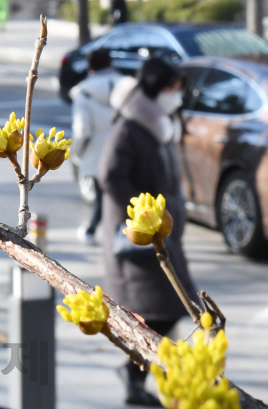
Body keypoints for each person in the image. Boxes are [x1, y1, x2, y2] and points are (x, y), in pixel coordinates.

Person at [97, 57, 199, 406]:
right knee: (158, 313)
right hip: (139, 243)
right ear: (159, 87)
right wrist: (142, 214)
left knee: (168, 311)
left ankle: (142, 375)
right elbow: (109, 175)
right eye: (174, 87)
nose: (178, 94)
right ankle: (138, 375)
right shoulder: (132, 126)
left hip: (160, 240)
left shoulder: (156, 122)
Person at [71, 48, 121, 246]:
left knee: (103, 195)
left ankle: (94, 230)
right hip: (125, 150)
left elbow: (82, 130)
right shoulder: (127, 87)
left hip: (98, 153)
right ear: (111, 64)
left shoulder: (84, 93)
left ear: (90, 68)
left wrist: (78, 153)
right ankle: (120, 233)